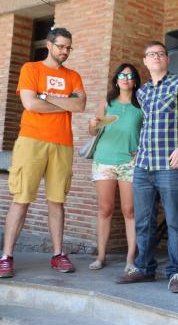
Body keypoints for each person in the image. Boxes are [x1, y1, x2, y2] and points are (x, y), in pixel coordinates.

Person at [116, 41, 178, 293]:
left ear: (167, 60)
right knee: (143, 221)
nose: (155, 57)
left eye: (160, 54)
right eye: (150, 55)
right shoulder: (142, 92)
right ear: (144, 61)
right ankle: (144, 268)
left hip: (171, 165)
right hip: (144, 165)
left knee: (176, 222)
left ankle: (177, 273)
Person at [0, 27, 86, 278]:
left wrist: (45, 96)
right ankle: (6, 256)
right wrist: (62, 101)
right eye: (61, 46)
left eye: (69, 47)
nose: (65, 52)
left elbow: (79, 105)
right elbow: (29, 103)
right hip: (31, 140)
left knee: (57, 201)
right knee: (22, 199)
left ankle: (58, 254)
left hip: (62, 143)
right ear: (49, 45)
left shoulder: (74, 75)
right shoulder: (31, 69)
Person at [88, 63, 143, 272]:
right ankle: (100, 257)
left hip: (130, 162)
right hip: (104, 160)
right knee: (105, 209)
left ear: (135, 80)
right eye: (122, 75)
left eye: (130, 75)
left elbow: (146, 133)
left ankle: (130, 259)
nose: (126, 78)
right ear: (116, 79)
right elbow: (93, 132)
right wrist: (93, 124)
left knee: (130, 210)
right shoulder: (107, 103)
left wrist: (141, 150)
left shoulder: (141, 106)